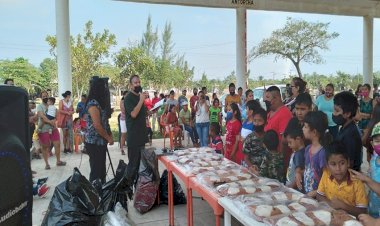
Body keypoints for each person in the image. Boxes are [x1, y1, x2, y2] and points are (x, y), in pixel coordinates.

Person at [317, 142, 368, 217]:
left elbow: (363, 211)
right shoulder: (326, 174)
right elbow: (319, 195)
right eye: (333, 164)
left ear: (348, 162)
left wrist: (343, 206)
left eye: (342, 163)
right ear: (327, 165)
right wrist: (331, 204)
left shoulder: (356, 181)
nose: (338, 169)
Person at [85, 76, 113, 183]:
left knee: (101, 171)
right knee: (96, 172)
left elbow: (104, 122)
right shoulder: (93, 104)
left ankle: (102, 193)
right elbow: (97, 125)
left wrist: (109, 135)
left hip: (100, 142)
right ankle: (95, 196)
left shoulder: (100, 103)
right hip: (94, 143)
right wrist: (108, 138)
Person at [125, 74, 148, 188]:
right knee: (133, 165)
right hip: (134, 138)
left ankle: (138, 189)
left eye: (139, 82)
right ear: (130, 85)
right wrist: (141, 100)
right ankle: (128, 188)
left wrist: (153, 110)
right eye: (135, 83)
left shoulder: (140, 97)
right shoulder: (128, 98)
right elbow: (133, 114)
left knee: (140, 166)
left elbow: (142, 113)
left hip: (141, 136)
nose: (138, 84)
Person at [301, 111, 330, 197]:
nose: (303, 129)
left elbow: (328, 180)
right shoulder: (308, 149)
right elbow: (308, 170)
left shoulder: (322, 153)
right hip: (308, 194)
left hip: (318, 197)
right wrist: (298, 172)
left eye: (305, 127)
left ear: (314, 132)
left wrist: (314, 193)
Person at [36, 91, 66, 170]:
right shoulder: (40, 106)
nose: (45, 97)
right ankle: (47, 164)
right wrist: (50, 122)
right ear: (41, 97)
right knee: (45, 147)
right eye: (43, 96)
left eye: (46, 96)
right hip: (43, 129)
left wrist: (55, 120)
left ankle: (58, 161)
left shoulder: (52, 106)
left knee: (57, 144)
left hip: (53, 128)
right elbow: (42, 117)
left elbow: (56, 115)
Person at [333, 91, 362, 171]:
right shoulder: (344, 127)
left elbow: (350, 163)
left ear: (348, 113)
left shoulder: (350, 134)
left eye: (337, 111)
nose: (334, 114)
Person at [284, 118, 305, 190]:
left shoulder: (299, 154)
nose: (288, 145)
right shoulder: (295, 152)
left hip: (293, 188)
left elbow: (298, 174)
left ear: (298, 139)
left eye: (290, 142)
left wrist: (291, 187)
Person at [119, 91, 128, 155]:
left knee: (130, 134)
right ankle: (122, 149)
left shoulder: (130, 101)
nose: (127, 96)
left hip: (130, 120)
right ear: (124, 95)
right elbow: (123, 110)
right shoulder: (122, 101)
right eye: (126, 95)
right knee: (123, 134)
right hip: (123, 120)